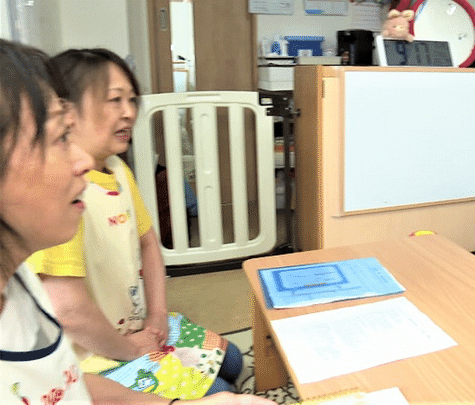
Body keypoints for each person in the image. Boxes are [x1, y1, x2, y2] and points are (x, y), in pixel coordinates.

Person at [0, 39, 274, 405]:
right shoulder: (61, 207)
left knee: (233, 360)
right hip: (103, 349)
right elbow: (69, 310)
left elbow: (148, 243)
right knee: (220, 389)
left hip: (133, 325)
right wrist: (131, 351)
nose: (129, 112)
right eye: (60, 136)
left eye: (132, 100)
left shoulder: (116, 171)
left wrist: (156, 316)